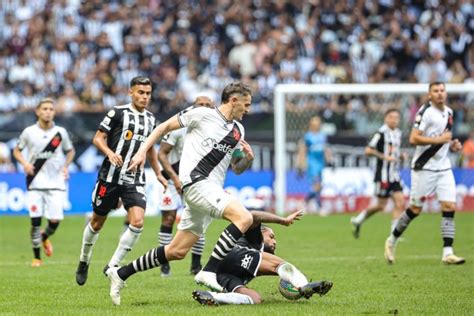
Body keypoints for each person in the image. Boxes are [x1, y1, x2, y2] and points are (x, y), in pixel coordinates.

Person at [107, 82, 255, 305]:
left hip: (210, 188)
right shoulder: (202, 114)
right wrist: (141, 153)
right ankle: (209, 271)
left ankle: (120, 273)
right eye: (246, 104)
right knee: (244, 217)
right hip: (196, 183)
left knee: (177, 250)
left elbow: (236, 167)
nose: (248, 110)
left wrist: (248, 159)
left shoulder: (238, 130)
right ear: (233, 100)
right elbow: (162, 128)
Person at [75, 76, 167, 285]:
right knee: (97, 223)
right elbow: (98, 138)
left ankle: (112, 265)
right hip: (109, 178)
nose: (144, 97)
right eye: (140, 93)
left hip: (134, 178)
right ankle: (84, 260)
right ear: (130, 92)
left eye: (147, 93)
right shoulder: (117, 113)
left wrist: (159, 173)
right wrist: (109, 153)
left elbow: (150, 150)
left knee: (138, 222)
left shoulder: (152, 120)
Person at [384, 82, 465, 265]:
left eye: (442, 90)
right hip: (424, 167)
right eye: (435, 91)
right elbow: (413, 138)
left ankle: (447, 252)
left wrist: (452, 145)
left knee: (449, 206)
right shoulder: (425, 112)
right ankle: (392, 240)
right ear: (429, 95)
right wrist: (440, 139)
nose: (439, 94)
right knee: (415, 209)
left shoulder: (449, 113)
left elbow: (444, 140)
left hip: (443, 167)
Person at [192, 210, 333, 305]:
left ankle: (213, 297)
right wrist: (283, 220)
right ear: (261, 233)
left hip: (222, 274)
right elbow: (253, 215)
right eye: (271, 237)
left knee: (254, 299)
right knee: (279, 265)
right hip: (234, 253)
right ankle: (303, 285)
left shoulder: (258, 257)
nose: (274, 242)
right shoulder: (254, 238)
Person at [13, 98, 75, 267]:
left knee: (55, 221)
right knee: (35, 220)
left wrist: (66, 166)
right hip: (35, 181)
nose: (48, 111)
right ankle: (37, 257)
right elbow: (17, 151)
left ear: (54, 112)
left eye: (50, 109)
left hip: (55, 182)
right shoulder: (29, 132)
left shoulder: (60, 133)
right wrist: (25, 164)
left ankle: (45, 237)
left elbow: (70, 151)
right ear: (38, 111)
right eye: (45, 109)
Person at [157, 95, 214, 276]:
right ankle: (164, 263)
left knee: (198, 222)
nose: (204, 107)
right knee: (168, 219)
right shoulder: (179, 125)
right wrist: (174, 178)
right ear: (193, 107)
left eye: (207, 105)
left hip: (197, 181)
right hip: (173, 180)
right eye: (200, 105)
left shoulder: (214, 129)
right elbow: (162, 154)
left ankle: (196, 266)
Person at [351, 109, 405, 238]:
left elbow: (394, 152)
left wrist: (401, 156)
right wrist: (384, 157)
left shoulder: (398, 133)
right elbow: (368, 150)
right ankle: (359, 219)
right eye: (391, 117)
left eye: (396, 117)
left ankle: (394, 233)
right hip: (382, 175)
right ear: (386, 118)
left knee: (400, 202)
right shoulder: (380, 133)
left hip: (394, 174)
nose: (394, 120)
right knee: (381, 206)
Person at [296, 116, 332, 212]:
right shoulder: (308, 136)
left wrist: (329, 160)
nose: (318, 125)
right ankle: (320, 207)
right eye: (316, 123)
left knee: (319, 185)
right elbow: (303, 150)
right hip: (312, 163)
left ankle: (304, 202)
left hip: (321, 163)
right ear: (311, 125)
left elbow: (325, 149)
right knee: (316, 184)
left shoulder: (322, 136)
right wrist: (300, 164)